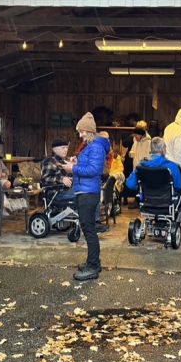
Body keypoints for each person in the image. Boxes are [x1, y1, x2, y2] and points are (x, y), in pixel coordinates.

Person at [62, 112, 110, 281]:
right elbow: (89, 165)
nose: (80, 134)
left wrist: (72, 169)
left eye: (82, 131)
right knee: (87, 228)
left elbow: (94, 171)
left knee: (89, 230)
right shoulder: (91, 145)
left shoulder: (95, 147)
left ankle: (94, 266)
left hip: (88, 193)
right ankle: (92, 262)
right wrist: (77, 162)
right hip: (85, 191)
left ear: (90, 131)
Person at [125, 137, 181, 217]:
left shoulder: (141, 165)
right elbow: (178, 187)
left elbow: (130, 184)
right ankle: (177, 214)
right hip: (167, 203)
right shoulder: (172, 166)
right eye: (165, 147)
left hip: (147, 202)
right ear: (163, 150)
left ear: (151, 149)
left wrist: (141, 187)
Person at [40, 138, 75, 204]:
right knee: (84, 196)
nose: (66, 150)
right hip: (55, 194)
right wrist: (61, 179)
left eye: (67, 147)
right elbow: (44, 180)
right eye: (63, 148)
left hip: (67, 191)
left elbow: (69, 179)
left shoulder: (64, 161)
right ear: (55, 149)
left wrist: (73, 167)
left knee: (90, 193)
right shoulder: (49, 161)